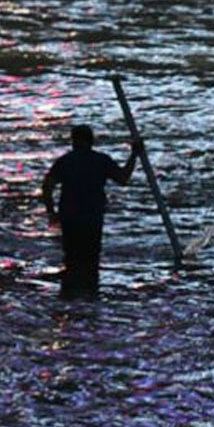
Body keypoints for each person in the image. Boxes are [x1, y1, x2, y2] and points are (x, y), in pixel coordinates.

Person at [41, 124, 140, 299]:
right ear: (91, 141)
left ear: (73, 141)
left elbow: (47, 187)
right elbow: (123, 178)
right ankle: (90, 297)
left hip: (70, 217)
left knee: (72, 259)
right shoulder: (101, 160)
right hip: (92, 216)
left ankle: (70, 296)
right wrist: (134, 154)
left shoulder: (65, 161)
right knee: (91, 260)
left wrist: (51, 212)